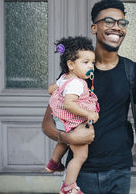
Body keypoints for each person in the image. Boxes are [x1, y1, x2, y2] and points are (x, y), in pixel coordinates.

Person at [42, 0, 136, 194]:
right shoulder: (74, 73)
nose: (117, 27)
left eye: (122, 22)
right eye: (109, 22)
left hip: (119, 171)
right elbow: (47, 125)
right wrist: (68, 137)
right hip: (81, 173)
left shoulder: (133, 71)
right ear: (94, 27)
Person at [45, 36, 100, 194]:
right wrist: (89, 113)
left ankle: (53, 163)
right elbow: (69, 104)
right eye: (86, 62)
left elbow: (50, 90)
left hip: (60, 120)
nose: (91, 66)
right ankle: (68, 186)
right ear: (70, 64)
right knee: (80, 155)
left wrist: (59, 85)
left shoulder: (64, 78)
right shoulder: (76, 83)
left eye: (92, 63)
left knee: (63, 142)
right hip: (72, 122)